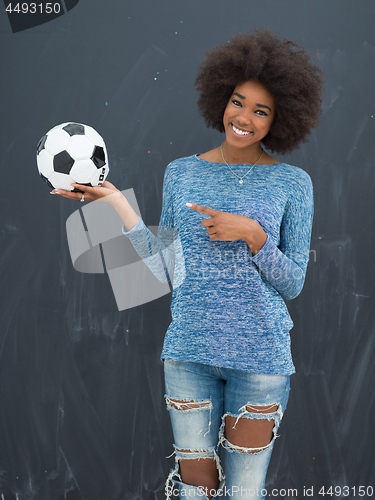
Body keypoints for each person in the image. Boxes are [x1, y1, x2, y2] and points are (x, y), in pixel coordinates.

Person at [53, 29, 323, 499]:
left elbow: (294, 283)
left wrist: (255, 236)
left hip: (260, 359)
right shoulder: (181, 172)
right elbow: (164, 271)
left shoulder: (293, 183)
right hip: (187, 354)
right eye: (237, 102)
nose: (243, 117)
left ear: (280, 119)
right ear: (221, 97)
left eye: (261, 110)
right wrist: (117, 203)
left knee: (243, 492)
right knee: (194, 492)